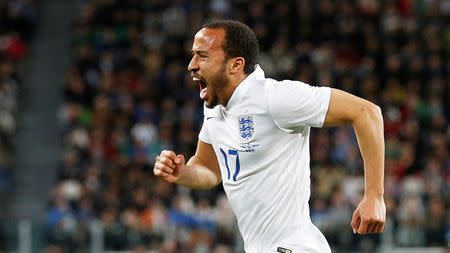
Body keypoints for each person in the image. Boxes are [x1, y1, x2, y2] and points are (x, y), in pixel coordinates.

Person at [153, 20, 386, 253]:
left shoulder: (274, 98)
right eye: (193, 55)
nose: (191, 65)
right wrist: (182, 173)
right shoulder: (214, 108)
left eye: (202, 56)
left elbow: (367, 112)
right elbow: (210, 169)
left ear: (236, 64)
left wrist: (374, 195)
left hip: (292, 247)